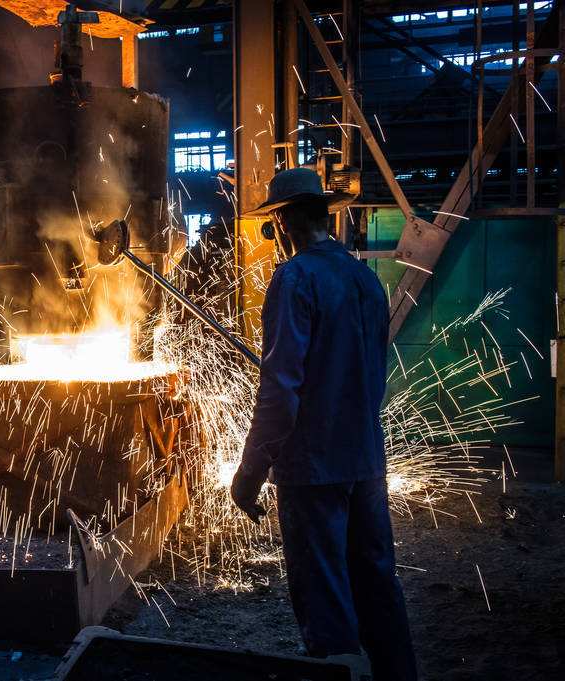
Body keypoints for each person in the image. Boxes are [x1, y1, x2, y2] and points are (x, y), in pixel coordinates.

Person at [230, 168, 418, 681]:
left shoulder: (294, 279)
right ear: (324, 215)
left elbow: (280, 395)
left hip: (312, 469)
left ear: (284, 222)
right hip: (366, 461)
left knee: (326, 601)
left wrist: (250, 473)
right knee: (378, 587)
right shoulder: (365, 279)